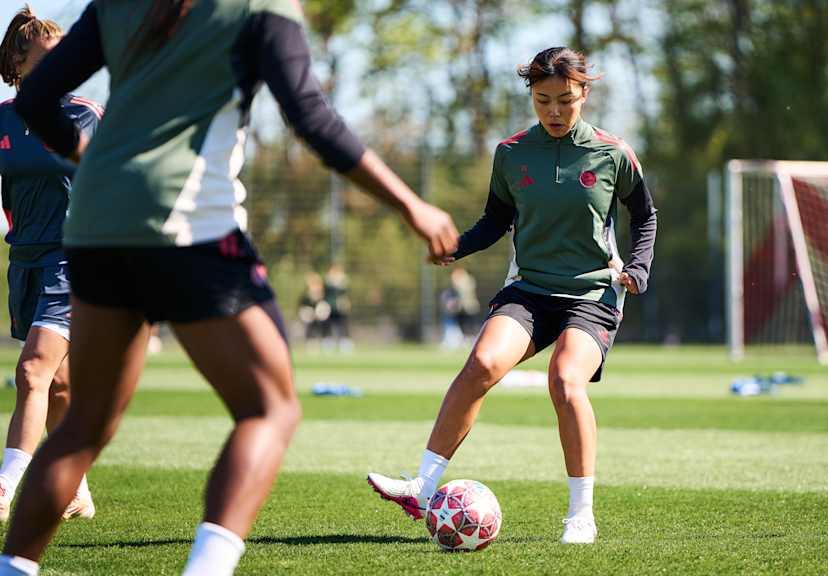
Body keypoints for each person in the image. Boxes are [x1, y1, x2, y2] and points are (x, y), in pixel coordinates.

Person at [0, 1, 458, 575]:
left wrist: (93, 165)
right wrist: (410, 204)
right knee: (270, 408)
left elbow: (37, 98)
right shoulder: (260, 6)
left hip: (92, 224)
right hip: (186, 222)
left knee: (82, 423)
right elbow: (311, 117)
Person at [368, 47, 657, 545]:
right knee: (480, 364)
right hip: (530, 290)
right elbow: (496, 221)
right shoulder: (510, 153)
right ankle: (422, 487)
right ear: (531, 96)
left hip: (592, 293)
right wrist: (454, 248)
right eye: (543, 100)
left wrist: (637, 267)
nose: (554, 111)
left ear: (584, 93)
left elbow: (645, 216)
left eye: (565, 100)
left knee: (565, 381)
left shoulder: (613, 152)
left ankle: (580, 516)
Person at [0, 5, 101, 524]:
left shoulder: (82, 111)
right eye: (52, 48)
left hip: (74, 258)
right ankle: (76, 488)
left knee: (32, 371)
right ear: (19, 58)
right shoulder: (0, 119)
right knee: (58, 386)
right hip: (25, 260)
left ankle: (4, 488)